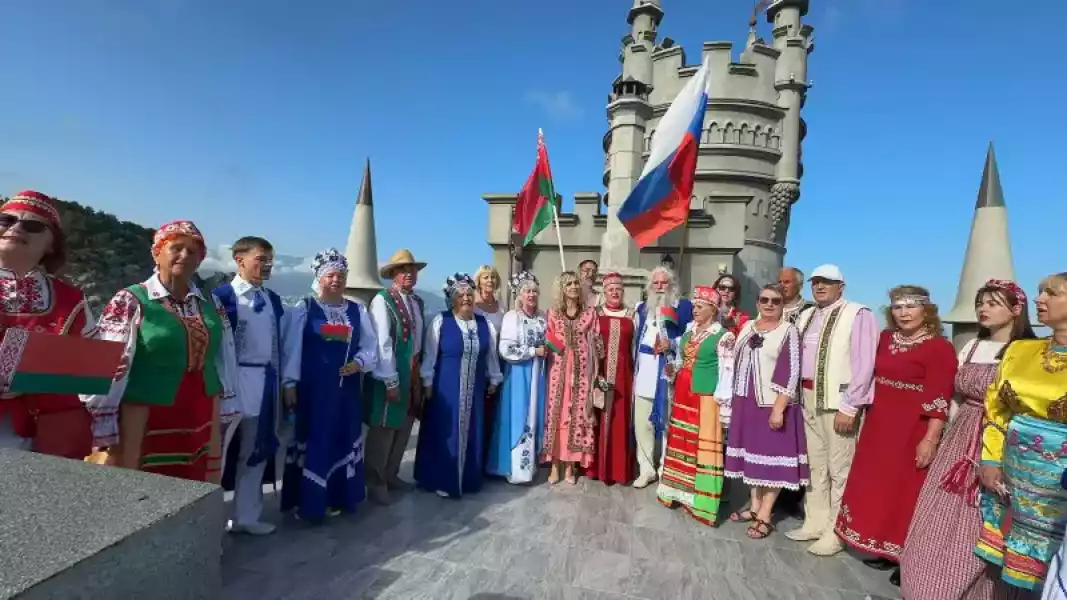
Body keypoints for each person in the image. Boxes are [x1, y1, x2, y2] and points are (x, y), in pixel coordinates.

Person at [901, 280, 1035, 600]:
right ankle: (927, 584)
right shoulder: (972, 346)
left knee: (983, 516)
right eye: (980, 303)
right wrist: (940, 435)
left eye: (993, 303)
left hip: (1001, 439)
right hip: (960, 437)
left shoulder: (1027, 351)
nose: (983, 309)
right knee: (941, 509)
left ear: (1016, 309)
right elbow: (956, 397)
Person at [86, 220, 238, 482]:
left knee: (194, 477)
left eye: (192, 251)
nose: (184, 255)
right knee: (144, 479)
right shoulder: (131, 300)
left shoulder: (211, 303)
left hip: (202, 407)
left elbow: (225, 353)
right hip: (146, 408)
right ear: (157, 253)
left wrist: (230, 399)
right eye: (176, 248)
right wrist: (103, 415)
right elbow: (108, 360)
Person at [834, 285, 957, 586]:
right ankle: (883, 546)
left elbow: (939, 399)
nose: (904, 313)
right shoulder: (885, 339)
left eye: (911, 306)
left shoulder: (939, 348)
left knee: (907, 492)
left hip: (912, 429)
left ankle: (907, 557)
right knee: (881, 488)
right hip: (879, 425)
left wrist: (930, 439)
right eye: (898, 307)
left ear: (926, 309)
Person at [976, 273, 1067, 593]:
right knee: (1008, 570)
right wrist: (990, 459)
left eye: (1052, 294)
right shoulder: (1019, 351)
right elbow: (997, 410)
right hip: (1013, 476)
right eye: (1041, 293)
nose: (1040, 299)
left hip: (1058, 486)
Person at [279, 249, 379, 522]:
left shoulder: (357, 310)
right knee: (316, 438)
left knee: (342, 437)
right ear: (319, 278)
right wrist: (289, 384)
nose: (336, 280)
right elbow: (292, 349)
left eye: (341, 276)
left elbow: (370, 346)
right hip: (315, 391)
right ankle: (310, 502)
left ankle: (339, 497)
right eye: (331, 275)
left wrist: (359, 362)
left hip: (346, 392)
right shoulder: (304, 308)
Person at [786, 264, 879, 556]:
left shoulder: (858, 313)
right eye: (815, 282)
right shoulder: (807, 315)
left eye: (827, 282)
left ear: (841, 286)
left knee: (840, 468)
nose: (820, 286)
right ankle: (815, 521)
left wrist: (851, 405)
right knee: (815, 464)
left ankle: (836, 531)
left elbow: (865, 363)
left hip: (838, 401)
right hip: (807, 397)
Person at [0, 190, 97, 458]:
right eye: (6, 220)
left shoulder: (71, 300)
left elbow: (93, 370)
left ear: (51, 244)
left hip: (36, 442)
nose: (16, 228)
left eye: (32, 225)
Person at [212, 236, 288, 535]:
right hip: (230, 381)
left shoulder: (272, 300)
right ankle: (211, 522)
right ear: (239, 259)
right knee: (218, 454)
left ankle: (247, 516)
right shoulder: (222, 297)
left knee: (255, 451)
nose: (267, 265)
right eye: (261, 258)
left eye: (270, 259)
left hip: (264, 382)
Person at [725, 284, 808, 539]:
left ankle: (765, 514)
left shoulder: (788, 330)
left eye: (776, 300)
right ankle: (754, 505)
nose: (769, 304)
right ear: (757, 303)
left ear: (783, 305)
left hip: (771, 403)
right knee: (752, 457)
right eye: (764, 300)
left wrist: (779, 408)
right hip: (746, 401)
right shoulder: (748, 327)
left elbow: (792, 371)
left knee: (772, 460)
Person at [416, 273, 502, 498]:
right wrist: (427, 382)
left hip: (475, 390)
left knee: (472, 430)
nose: (466, 298)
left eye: (469, 294)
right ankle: (442, 479)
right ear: (452, 299)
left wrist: (494, 378)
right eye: (460, 295)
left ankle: (468, 478)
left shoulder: (484, 325)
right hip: (446, 389)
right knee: (445, 431)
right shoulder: (441, 321)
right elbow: (430, 355)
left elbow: (491, 356)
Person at [657, 284, 735, 525]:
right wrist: (673, 369)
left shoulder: (724, 336)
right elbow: (682, 361)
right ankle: (676, 491)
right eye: (695, 306)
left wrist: (725, 406)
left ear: (713, 309)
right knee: (682, 442)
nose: (695, 310)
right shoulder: (689, 333)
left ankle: (701, 502)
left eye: (701, 306)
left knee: (702, 446)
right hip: (683, 394)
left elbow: (727, 372)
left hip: (706, 398)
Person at [363, 248, 427, 505]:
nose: (408, 274)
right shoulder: (383, 300)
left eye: (412, 269)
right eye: (403, 270)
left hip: (412, 371)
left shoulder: (417, 302)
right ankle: (375, 481)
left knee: (405, 424)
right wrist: (390, 378)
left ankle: (392, 474)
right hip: (390, 372)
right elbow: (382, 342)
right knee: (384, 427)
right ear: (393, 274)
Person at [633, 265, 693, 488]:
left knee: (668, 424)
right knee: (642, 425)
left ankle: (665, 469)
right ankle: (646, 469)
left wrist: (673, 343)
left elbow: (691, 337)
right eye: (655, 283)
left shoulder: (684, 307)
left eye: (664, 282)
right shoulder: (641, 308)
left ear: (672, 285)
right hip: (644, 371)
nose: (659, 287)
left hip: (668, 372)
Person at [542, 270, 602, 485]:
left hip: (582, 372)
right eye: (568, 284)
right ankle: (554, 464)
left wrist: (595, 366)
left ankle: (571, 465)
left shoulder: (590, 313)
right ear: (562, 288)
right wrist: (557, 346)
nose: (574, 287)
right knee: (557, 415)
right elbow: (546, 337)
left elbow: (597, 341)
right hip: (558, 371)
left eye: (576, 283)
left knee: (577, 415)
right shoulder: (553, 313)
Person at [487, 271, 546, 484]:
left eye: (534, 291)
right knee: (518, 417)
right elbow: (506, 348)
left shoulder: (542, 317)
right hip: (519, 373)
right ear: (520, 295)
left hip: (538, 373)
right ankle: (513, 467)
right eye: (527, 291)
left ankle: (530, 465)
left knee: (534, 416)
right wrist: (532, 351)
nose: (531, 295)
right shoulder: (512, 317)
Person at [589, 272, 637, 486]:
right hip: (600, 373)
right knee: (599, 417)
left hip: (624, 376)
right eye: (610, 289)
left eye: (618, 289)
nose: (615, 292)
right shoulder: (596, 313)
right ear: (604, 292)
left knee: (620, 419)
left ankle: (618, 470)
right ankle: (597, 468)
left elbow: (635, 346)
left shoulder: (632, 315)